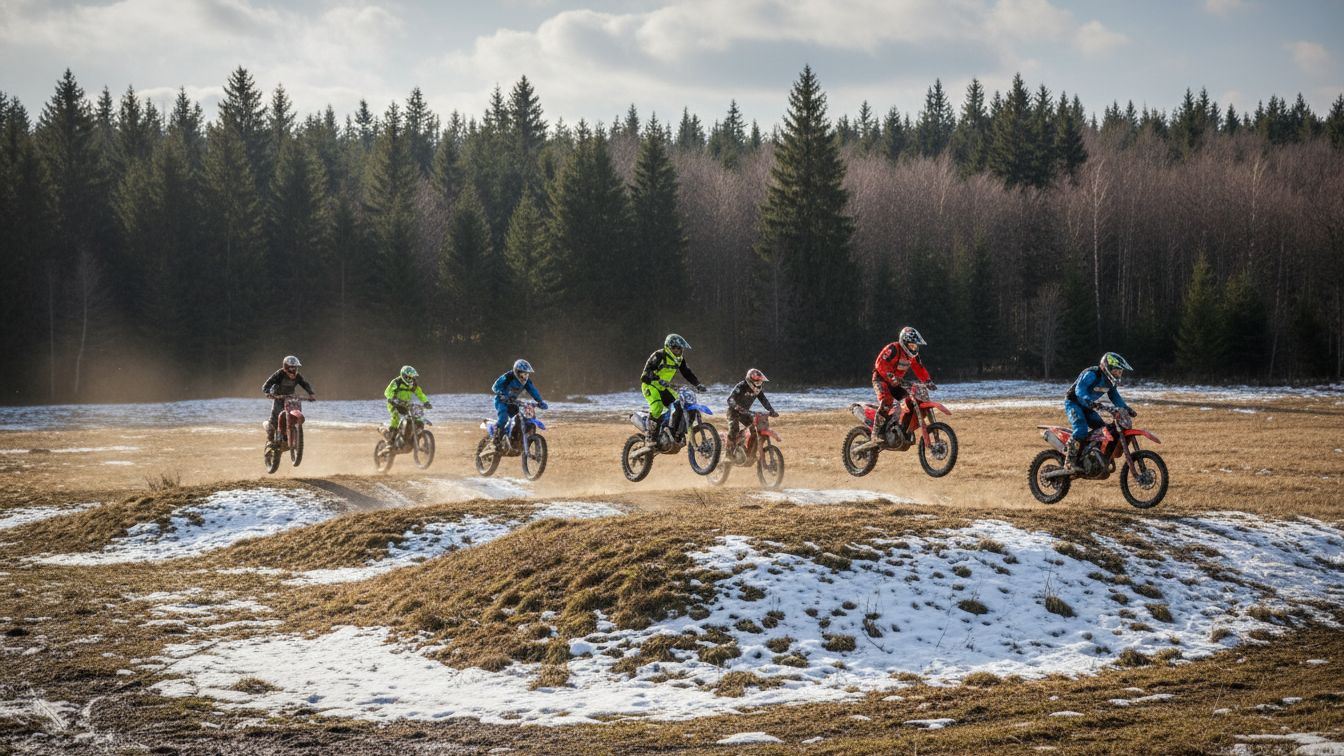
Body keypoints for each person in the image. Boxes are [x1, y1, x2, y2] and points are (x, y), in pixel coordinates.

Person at [1064, 352, 1136, 472]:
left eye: (1120, 372)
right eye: (1116, 371)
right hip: (1074, 403)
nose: (1118, 374)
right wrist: (1090, 401)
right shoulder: (1092, 374)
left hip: (1088, 406)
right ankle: (1069, 461)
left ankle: (1091, 456)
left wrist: (1126, 409)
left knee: (1103, 430)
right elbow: (1079, 390)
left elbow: (1115, 397)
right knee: (1081, 428)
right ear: (1108, 367)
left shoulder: (1110, 382)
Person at [641, 333, 706, 443]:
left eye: (680, 348)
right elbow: (645, 374)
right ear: (669, 347)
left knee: (679, 403)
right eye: (676, 348)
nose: (679, 351)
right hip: (650, 386)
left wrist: (698, 384)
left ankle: (672, 431)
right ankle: (650, 436)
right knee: (657, 407)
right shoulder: (659, 355)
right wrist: (654, 377)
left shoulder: (679, 360)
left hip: (664, 387)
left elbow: (687, 373)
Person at [871, 327, 933, 440]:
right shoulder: (893, 348)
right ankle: (876, 433)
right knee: (886, 402)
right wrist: (890, 375)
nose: (914, 348)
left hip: (896, 382)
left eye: (915, 346)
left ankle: (901, 426)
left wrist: (927, 381)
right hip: (881, 379)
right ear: (904, 342)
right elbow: (880, 363)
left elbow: (919, 368)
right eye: (911, 345)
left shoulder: (912, 356)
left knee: (910, 400)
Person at [491, 359, 548, 449]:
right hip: (501, 401)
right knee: (503, 418)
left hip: (513, 402)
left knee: (519, 419)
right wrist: (502, 394)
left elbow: (533, 390)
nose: (526, 376)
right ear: (517, 372)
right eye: (524, 373)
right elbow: (495, 387)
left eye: (527, 374)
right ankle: (496, 439)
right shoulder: (508, 376)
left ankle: (515, 439)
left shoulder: (526, 381)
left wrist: (540, 401)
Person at [262, 356, 315, 446]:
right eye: (291, 367)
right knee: (273, 422)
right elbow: (266, 385)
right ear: (286, 367)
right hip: (278, 398)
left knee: (292, 416)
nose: (293, 370)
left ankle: (288, 435)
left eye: (295, 367)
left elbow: (304, 384)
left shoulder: (297, 376)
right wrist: (268, 393)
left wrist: (311, 394)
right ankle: (270, 440)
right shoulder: (279, 374)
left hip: (290, 399)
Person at [726, 368, 777, 453]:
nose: (759, 382)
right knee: (734, 430)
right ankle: (728, 454)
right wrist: (739, 408)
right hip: (733, 411)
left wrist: (771, 410)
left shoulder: (757, 389)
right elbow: (730, 400)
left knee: (755, 429)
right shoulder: (741, 386)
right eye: (757, 380)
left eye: (760, 380)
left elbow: (763, 400)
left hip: (745, 413)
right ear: (750, 379)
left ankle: (750, 454)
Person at [384, 365, 431, 443]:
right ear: (403, 376)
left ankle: (411, 435)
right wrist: (392, 398)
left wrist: (426, 402)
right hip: (394, 404)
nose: (410, 379)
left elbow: (420, 394)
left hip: (406, 404)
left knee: (414, 417)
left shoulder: (413, 384)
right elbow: (387, 392)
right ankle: (391, 438)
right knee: (396, 416)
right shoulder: (397, 382)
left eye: (412, 377)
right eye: (408, 377)